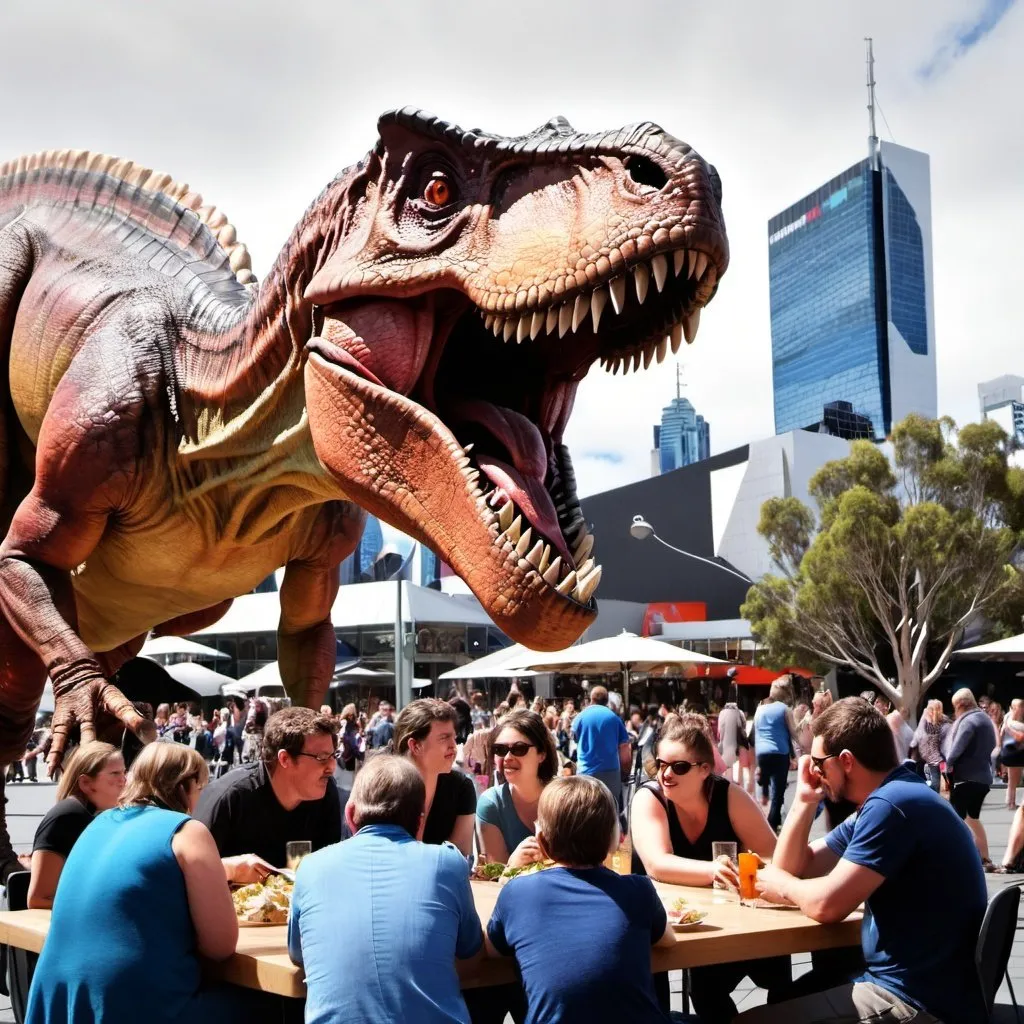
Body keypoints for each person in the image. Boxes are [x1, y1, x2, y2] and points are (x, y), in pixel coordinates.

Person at [739, 698, 987, 1024]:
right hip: (920, 985)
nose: (812, 770)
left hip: (918, 1000)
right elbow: (798, 866)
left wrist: (782, 886)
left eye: (817, 762)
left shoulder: (891, 805)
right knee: (784, 997)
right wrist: (802, 800)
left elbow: (827, 904)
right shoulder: (892, 794)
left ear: (846, 761)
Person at [26, 743, 266, 1024]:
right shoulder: (187, 831)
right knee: (268, 1007)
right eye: (201, 787)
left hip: (59, 997)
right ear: (184, 785)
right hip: (130, 1002)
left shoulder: (98, 823)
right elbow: (221, 946)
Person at [289, 755, 481, 1024]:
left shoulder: (309, 868)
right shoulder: (447, 863)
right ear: (420, 821)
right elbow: (470, 948)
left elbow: (298, 954)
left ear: (350, 815)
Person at [631, 714, 790, 1022]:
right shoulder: (649, 798)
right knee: (702, 990)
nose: (666, 774)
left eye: (678, 767)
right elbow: (656, 863)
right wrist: (713, 870)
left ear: (704, 769)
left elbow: (774, 856)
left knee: (778, 978)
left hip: (731, 919)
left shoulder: (729, 795)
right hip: (664, 925)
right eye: (661, 764)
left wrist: (756, 870)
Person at [486, 775, 674, 1024]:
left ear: (543, 843)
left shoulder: (517, 892)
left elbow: (492, 950)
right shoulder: (638, 890)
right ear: (613, 841)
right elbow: (667, 940)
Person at [194, 706, 342, 880]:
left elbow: (329, 867)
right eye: (322, 758)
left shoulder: (325, 792)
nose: (332, 767)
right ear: (285, 759)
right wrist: (229, 868)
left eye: (334, 755)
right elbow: (186, 869)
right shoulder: (230, 797)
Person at [27, 741, 126, 909]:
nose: (124, 781)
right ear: (86, 783)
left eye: (124, 772)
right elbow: (38, 899)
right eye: (115, 774)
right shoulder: (68, 816)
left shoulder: (98, 814)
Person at [394, 698, 476, 857]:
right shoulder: (385, 789)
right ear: (415, 746)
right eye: (444, 738)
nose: (454, 745)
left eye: (454, 737)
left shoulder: (461, 788)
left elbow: (459, 859)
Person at [476, 710, 558, 867]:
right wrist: (513, 864)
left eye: (519, 749)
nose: (507, 758)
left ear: (542, 754)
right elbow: (497, 874)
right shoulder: (492, 804)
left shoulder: (567, 799)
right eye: (500, 750)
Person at [945, 687, 996, 869]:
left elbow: (955, 750)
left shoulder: (968, 721)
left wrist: (947, 765)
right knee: (972, 818)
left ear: (960, 705)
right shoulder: (985, 720)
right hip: (983, 777)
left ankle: (959, 857)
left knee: (956, 819)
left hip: (967, 778)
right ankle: (984, 857)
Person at [570, 684, 631, 813]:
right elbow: (625, 750)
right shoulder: (614, 718)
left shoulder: (580, 717)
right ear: (607, 700)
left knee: (586, 815)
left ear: (591, 698)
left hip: (586, 773)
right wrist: (625, 772)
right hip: (611, 774)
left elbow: (573, 738)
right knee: (612, 815)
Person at [752, 677, 799, 830]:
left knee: (768, 788)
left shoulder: (760, 708)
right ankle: (772, 825)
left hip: (762, 754)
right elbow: (793, 733)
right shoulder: (784, 709)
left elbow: (754, 732)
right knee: (778, 794)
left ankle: (772, 812)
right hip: (780, 753)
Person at [910, 699, 950, 793]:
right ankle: (934, 793)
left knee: (922, 773)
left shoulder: (926, 719)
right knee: (935, 775)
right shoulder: (943, 719)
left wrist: (912, 745)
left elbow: (919, 733)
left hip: (924, 750)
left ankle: (924, 791)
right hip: (935, 752)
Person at [1000, 698, 1024, 809]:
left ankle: (1010, 801)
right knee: (1014, 779)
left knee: (1013, 779)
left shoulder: (1007, 719)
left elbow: (1001, 735)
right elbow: (1020, 737)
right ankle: (1011, 803)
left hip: (1010, 752)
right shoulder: (1014, 723)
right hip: (1014, 753)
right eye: (1021, 706)